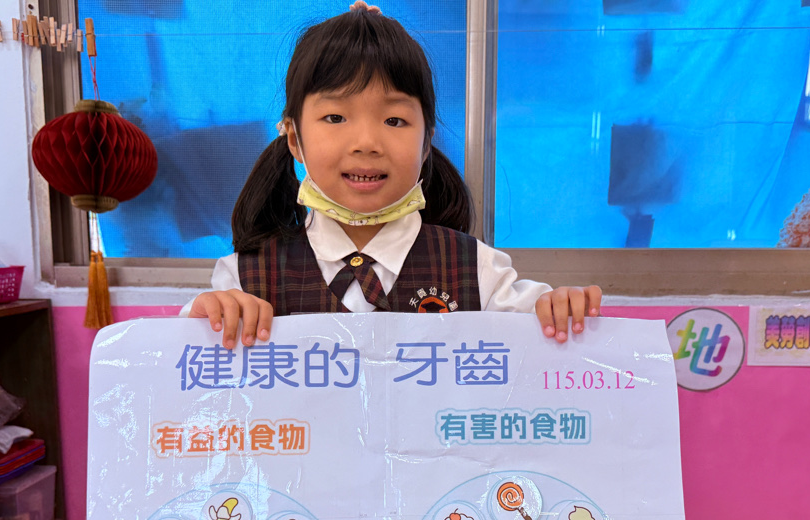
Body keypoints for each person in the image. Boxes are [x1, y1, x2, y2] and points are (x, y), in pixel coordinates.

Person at [183, 2, 601, 348]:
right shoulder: (243, 277)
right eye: (335, 117)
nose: (367, 142)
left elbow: (538, 342)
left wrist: (561, 310)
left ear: (426, 142)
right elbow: (180, 369)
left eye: (395, 120)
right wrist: (204, 320)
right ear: (294, 138)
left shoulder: (479, 271)